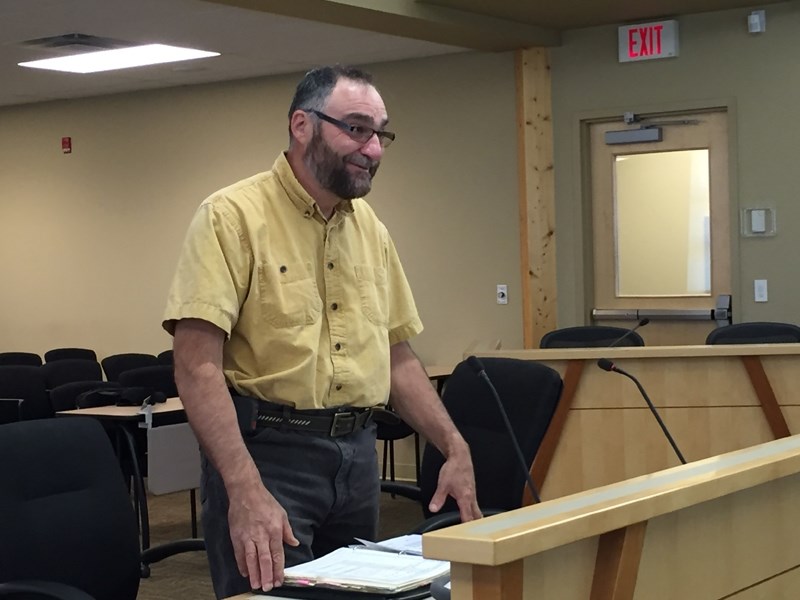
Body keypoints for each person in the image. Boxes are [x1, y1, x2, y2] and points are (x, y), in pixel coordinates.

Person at [163, 65, 480, 599]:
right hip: (268, 457)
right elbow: (196, 366)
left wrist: (453, 445)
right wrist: (243, 488)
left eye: (381, 133)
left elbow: (396, 356)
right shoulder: (231, 217)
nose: (373, 148)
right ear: (302, 125)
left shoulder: (370, 229)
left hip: (356, 455)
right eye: (357, 128)